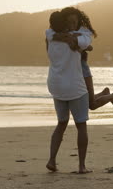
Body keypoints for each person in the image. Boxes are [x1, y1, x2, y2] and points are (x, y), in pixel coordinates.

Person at [45, 10, 92, 174]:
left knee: (61, 123)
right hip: (74, 86)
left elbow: (49, 32)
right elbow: (87, 43)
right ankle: (81, 166)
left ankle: (52, 160)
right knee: (81, 126)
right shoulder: (76, 38)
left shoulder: (49, 37)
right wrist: (74, 37)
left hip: (56, 85)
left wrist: (67, 36)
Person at [58, 7, 113, 109]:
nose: (71, 25)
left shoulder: (81, 34)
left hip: (83, 69)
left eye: (74, 22)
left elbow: (89, 47)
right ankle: (105, 93)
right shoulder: (63, 33)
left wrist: (79, 45)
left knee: (92, 105)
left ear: (78, 22)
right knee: (87, 101)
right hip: (72, 71)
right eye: (68, 22)